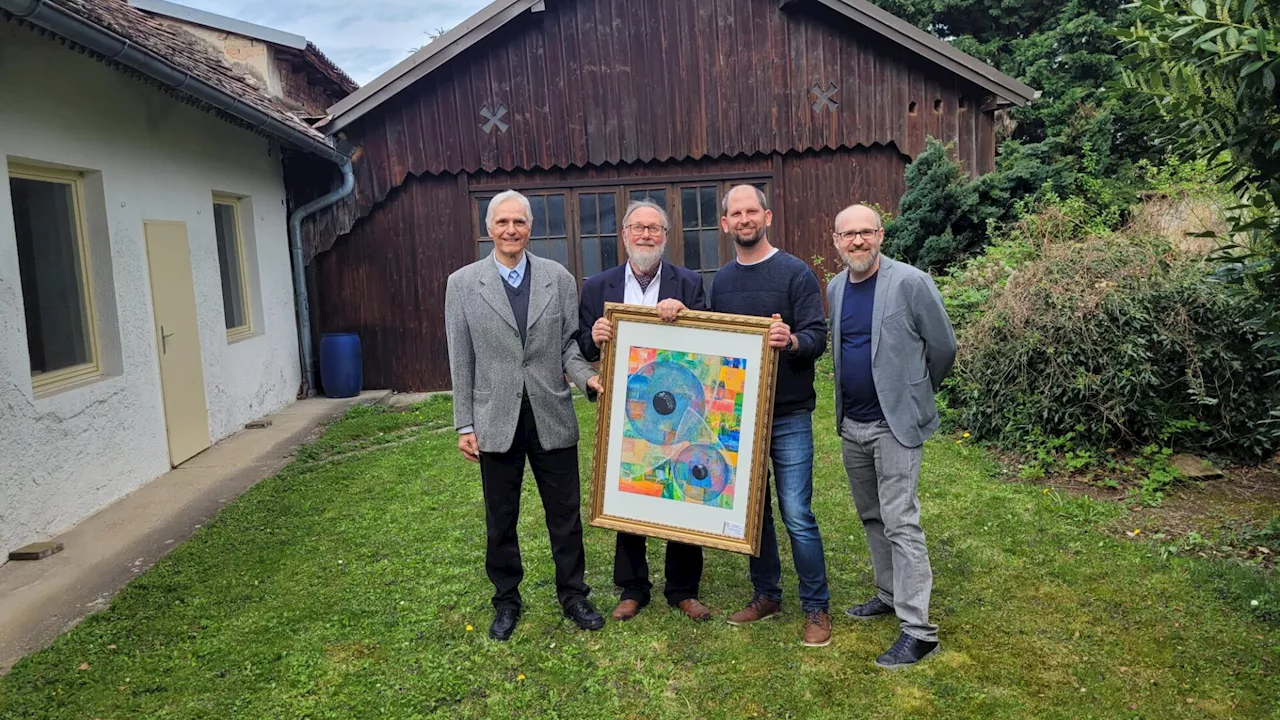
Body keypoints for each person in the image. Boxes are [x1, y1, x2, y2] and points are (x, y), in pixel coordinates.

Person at [663, 184, 833, 647]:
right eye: (734, 214)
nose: (743, 219)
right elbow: (716, 343)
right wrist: (682, 313)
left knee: (797, 512)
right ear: (724, 224)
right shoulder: (723, 281)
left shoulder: (795, 273)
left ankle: (816, 607)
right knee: (753, 513)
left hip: (789, 414)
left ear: (767, 216)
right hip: (739, 418)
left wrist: (792, 341)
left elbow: (818, 336)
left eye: (750, 211)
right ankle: (767, 594)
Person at [444, 189, 606, 641]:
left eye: (518, 222)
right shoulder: (462, 284)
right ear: (488, 228)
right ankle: (506, 601)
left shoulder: (558, 278)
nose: (510, 230)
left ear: (530, 228)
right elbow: (461, 360)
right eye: (502, 223)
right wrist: (464, 424)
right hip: (496, 418)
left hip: (550, 412)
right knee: (501, 519)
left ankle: (573, 595)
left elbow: (569, 346)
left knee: (565, 516)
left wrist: (587, 378)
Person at [826, 203, 956, 669]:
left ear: (881, 235)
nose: (857, 241)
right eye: (848, 235)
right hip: (853, 425)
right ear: (836, 241)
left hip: (894, 426)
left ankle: (919, 631)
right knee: (872, 515)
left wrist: (916, 392)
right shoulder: (836, 287)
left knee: (901, 520)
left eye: (866, 232)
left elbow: (943, 346)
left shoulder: (910, 282)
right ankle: (888, 592)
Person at [578, 200, 713, 622]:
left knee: (680, 486)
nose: (646, 235)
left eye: (655, 229)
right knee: (630, 489)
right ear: (624, 234)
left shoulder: (688, 283)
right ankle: (633, 587)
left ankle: (683, 589)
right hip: (627, 408)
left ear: (666, 237)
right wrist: (595, 334)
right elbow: (581, 346)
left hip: (678, 407)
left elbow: (709, 345)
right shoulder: (598, 287)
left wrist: (688, 317)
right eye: (638, 228)